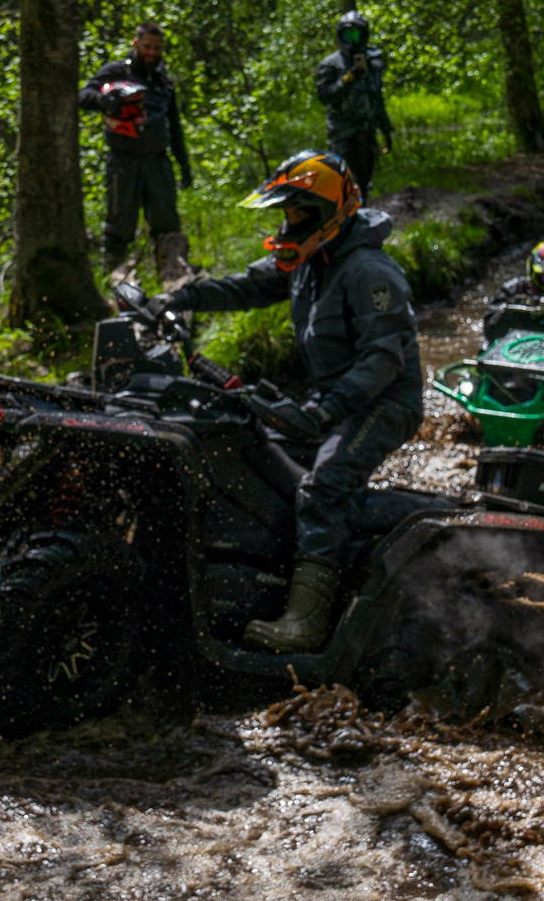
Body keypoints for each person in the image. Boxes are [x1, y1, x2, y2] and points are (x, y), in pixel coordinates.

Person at [159, 152, 420, 654]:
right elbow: (248, 286)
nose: (287, 223)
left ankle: (307, 623)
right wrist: (179, 300)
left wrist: (326, 411)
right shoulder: (307, 260)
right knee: (249, 448)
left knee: (325, 483)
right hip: (334, 397)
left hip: (382, 402)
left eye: (297, 213)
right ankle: (265, 578)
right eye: (285, 213)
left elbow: (383, 359)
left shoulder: (369, 271)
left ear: (330, 213)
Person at [80, 22, 195, 290]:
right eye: (147, 47)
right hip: (123, 161)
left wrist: (184, 164)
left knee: (167, 224)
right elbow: (84, 95)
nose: (152, 53)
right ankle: (116, 282)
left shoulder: (163, 81)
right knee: (119, 225)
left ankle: (174, 283)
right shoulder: (116, 71)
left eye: (156, 48)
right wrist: (103, 101)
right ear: (135, 44)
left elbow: (174, 126)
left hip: (158, 161)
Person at [312, 11, 397, 190]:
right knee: (344, 181)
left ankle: (362, 213)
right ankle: (345, 216)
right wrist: (345, 81)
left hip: (367, 133)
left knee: (364, 182)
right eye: (348, 35)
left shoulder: (372, 64)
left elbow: (377, 99)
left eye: (357, 35)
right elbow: (325, 97)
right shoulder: (330, 65)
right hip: (342, 134)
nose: (352, 41)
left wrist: (386, 130)